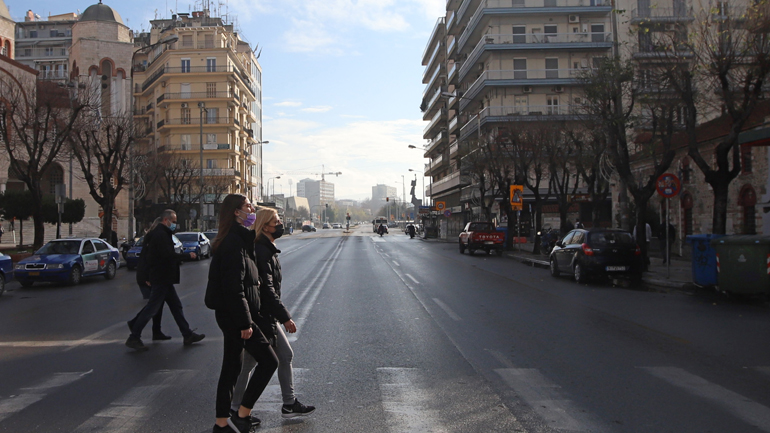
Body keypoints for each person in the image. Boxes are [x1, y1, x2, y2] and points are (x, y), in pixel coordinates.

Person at [230, 207, 315, 421]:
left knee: (282, 355)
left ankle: (288, 403)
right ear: (265, 225)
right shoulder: (261, 250)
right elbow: (266, 290)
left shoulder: (267, 248)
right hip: (260, 315)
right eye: (276, 221)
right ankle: (236, 407)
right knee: (254, 361)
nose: (280, 225)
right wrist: (285, 317)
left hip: (265, 314)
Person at [206, 194, 278, 433]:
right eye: (248, 206)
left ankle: (221, 423)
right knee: (269, 361)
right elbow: (233, 287)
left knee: (231, 368)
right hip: (235, 316)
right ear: (236, 212)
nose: (252, 210)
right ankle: (242, 414)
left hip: (236, 314)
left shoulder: (241, 240)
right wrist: (246, 322)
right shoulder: (233, 244)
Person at [125, 209, 204, 352]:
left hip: (163, 277)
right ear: (165, 220)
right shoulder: (160, 235)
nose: (175, 225)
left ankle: (187, 334)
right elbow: (166, 256)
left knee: (175, 306)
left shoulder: (160, 234)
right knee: (152, 308)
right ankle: (134, 335)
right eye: (173, 222)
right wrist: (186, 256)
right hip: (161, 277)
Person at [127, 218, 169, 341]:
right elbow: (149, 260)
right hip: (151, 277)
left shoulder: (152, 237)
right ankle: (135, 331)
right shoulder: (154, 238)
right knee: (153, 306)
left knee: (158, 305)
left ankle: (156, 331)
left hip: (157, 276)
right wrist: (147, 277)